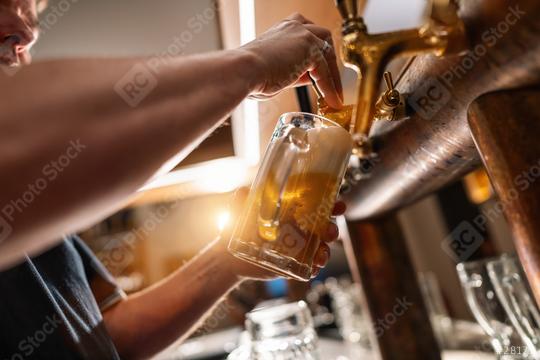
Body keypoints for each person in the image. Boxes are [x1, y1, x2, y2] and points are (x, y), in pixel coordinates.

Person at [0, 0, 346, 359]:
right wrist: (250, 65)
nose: (29, 31)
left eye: (34, 11)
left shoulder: (35, 214)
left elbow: (106, 336)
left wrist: (229, 259)